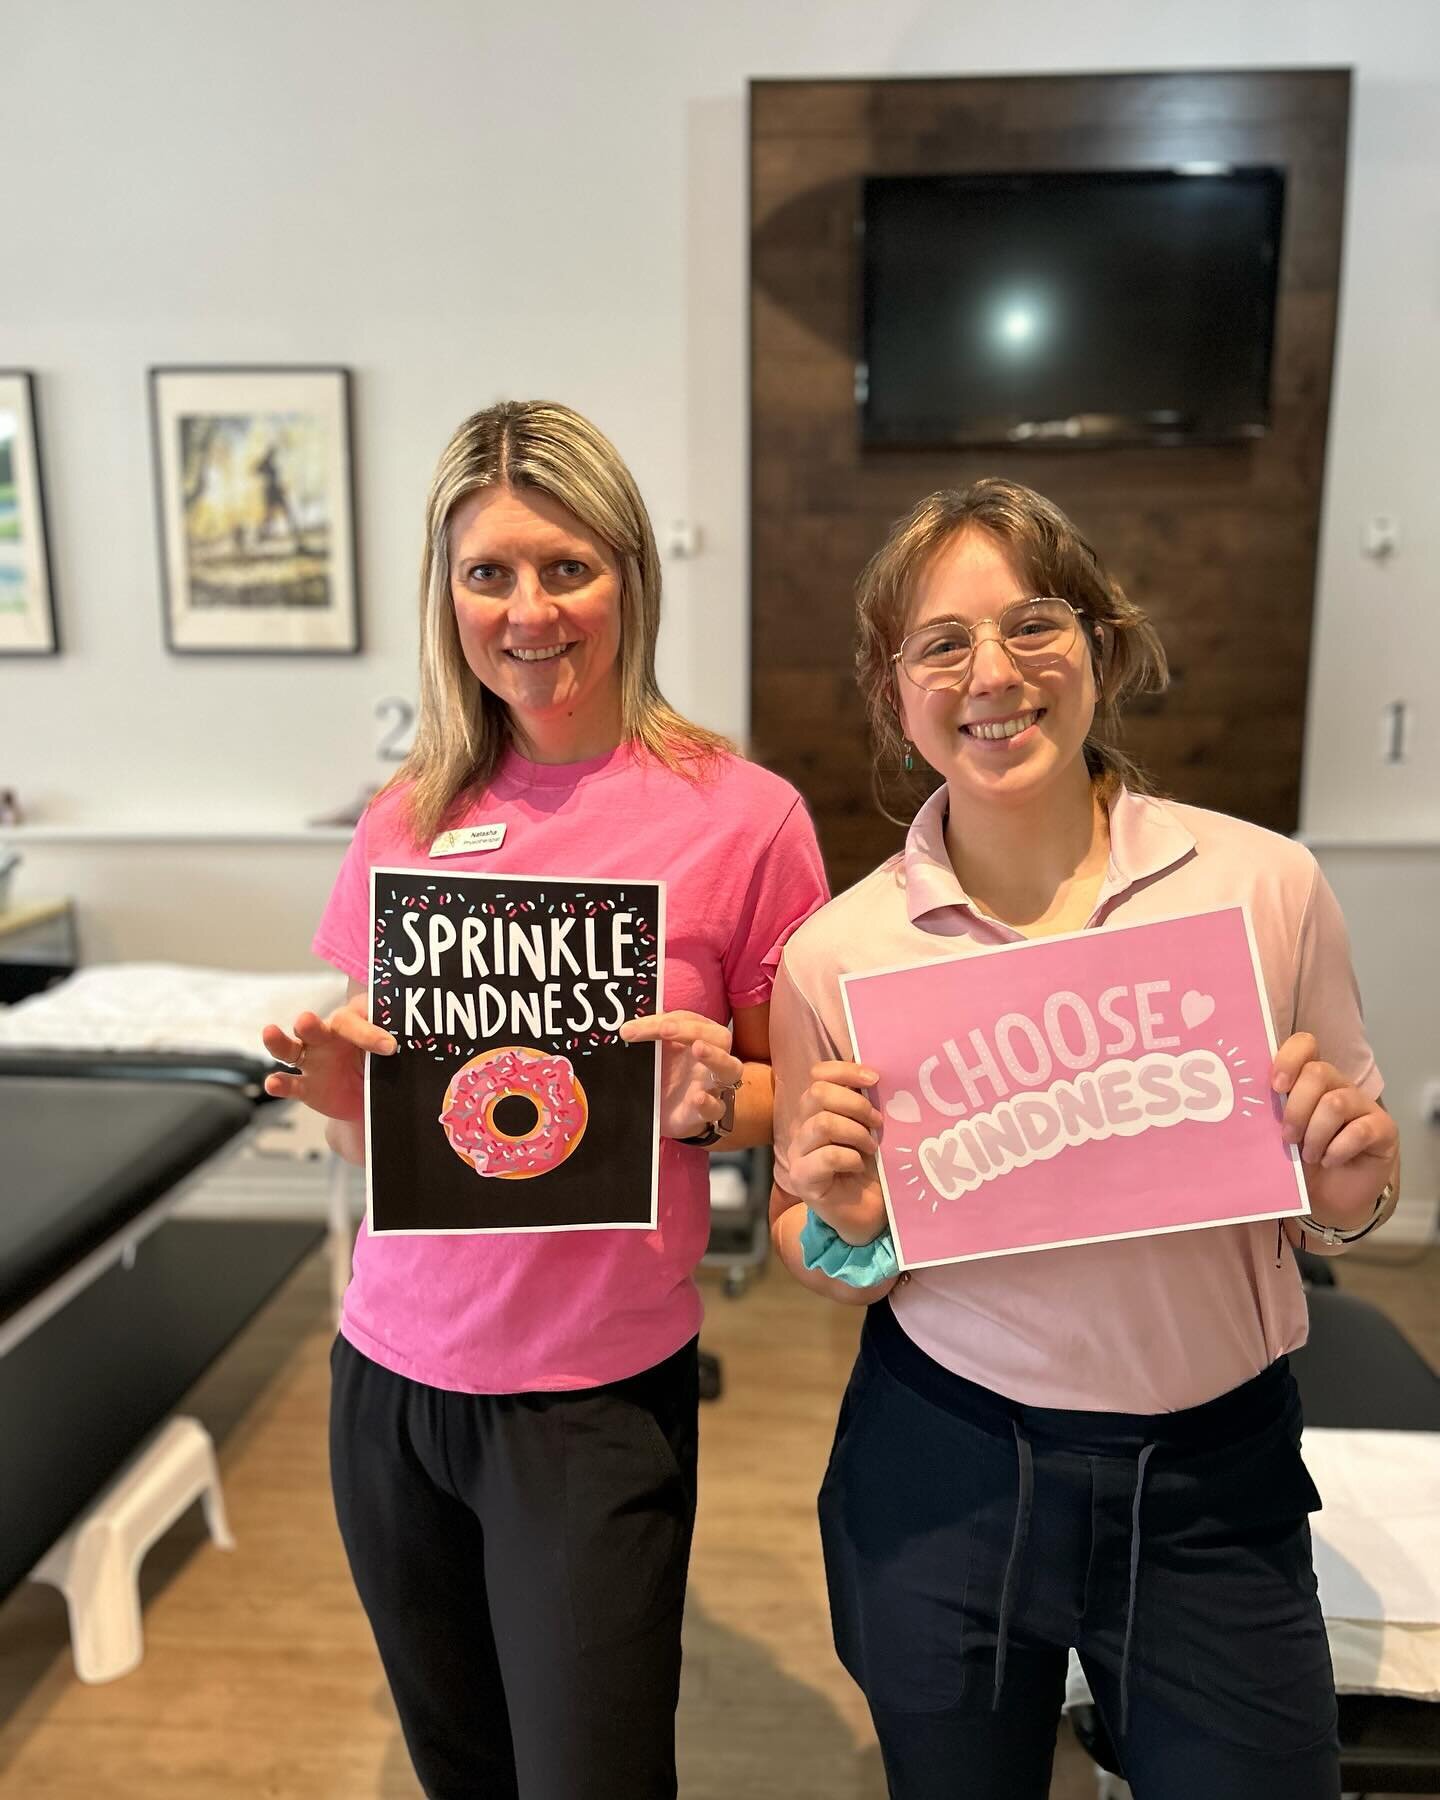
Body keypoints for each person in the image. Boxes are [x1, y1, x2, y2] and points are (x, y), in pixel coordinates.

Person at [767, 479, 1399, 1800]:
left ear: (1102, 648)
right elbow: (814, 1241)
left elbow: (1353, 1187)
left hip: (1214, 1483)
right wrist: (847, 1224)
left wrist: (1348, 1180)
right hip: (943, 1469)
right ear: (897, 698)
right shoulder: (838, 955)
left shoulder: (1262, 887)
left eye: (1033, 625)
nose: (992, 674)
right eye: (942, 643)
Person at [262, 400, 827, 1800]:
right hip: (388, 1383)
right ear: (445, 595)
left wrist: (716, 1102)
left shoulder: (743, 816)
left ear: (630, 575)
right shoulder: (408, 814)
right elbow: (370, 1127)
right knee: (462, 1766)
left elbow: (799, 1106)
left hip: (590, 1402)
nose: (530, 611)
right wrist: (339, 1088)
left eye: (566, 567)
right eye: (489, 573)